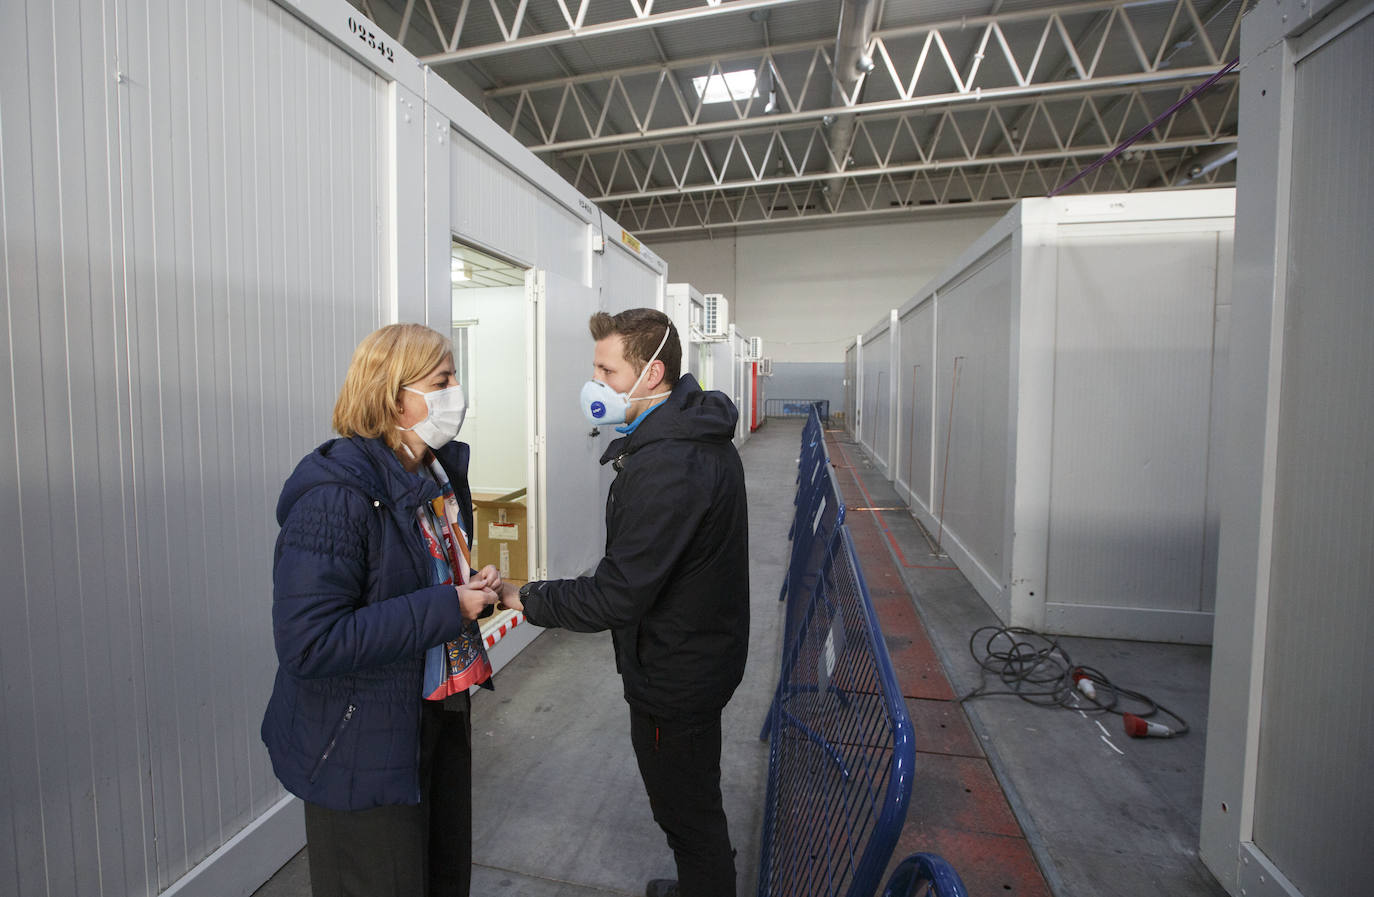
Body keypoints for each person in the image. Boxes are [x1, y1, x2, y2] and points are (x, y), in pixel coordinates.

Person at [499, 308, 750, 897]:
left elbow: (617, 594)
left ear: (652, 373)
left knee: (687, 815)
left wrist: (523, 597)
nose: (596, 385)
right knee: (690, 803)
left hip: (677, 671)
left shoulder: (671, 463)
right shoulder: (681, 435)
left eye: (607, 371)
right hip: (692, 651)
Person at [260, 323, 502, 897]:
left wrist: (469, 586)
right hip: (359, 744)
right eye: (441, 381)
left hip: (435, 715)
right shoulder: (336, 496)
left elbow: (421, 578)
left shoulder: (435, 474)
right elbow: (309, 643)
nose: (456, 392)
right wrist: (446, 606)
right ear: (396, 398)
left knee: (441, 877)